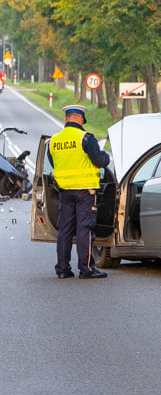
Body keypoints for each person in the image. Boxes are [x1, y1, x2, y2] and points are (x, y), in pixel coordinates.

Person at [49, 104, 111, 279]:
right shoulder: (85, 138)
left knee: (65, 230)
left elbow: (55, 164)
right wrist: (105, 156)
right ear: (81, 119)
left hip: (64, 192)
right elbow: (99, 160)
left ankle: (62, 269)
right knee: (85, 229)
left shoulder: (54, 140)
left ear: (66, 120)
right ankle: (87, 269)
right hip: (85, 192)